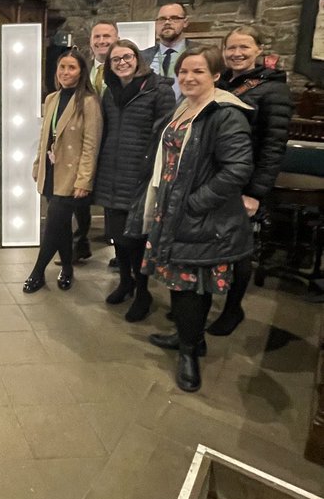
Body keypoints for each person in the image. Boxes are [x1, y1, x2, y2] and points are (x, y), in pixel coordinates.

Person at [142, 45, 255, 393]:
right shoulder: (187, 107)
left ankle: (189, 353)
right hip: (174, 208)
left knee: (189, 283)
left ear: (216, 75)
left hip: (199, 214)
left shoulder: (224, 113)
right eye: (183, 72)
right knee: (185, 281)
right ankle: (189, 338)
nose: (188, 78)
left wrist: (195, 202)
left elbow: (238, 169)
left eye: (198, 72)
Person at [206, 25, 292, 336]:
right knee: (212, 243)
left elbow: (273, 146)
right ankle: (202, 302)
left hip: (246, 181)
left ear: (258, 50)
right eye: (231, 48)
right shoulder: (224, 82)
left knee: (239, 249)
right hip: (217, 177)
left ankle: (233, 309)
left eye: (244, 47)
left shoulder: (273, 88)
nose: (237, 53)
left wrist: (256, 192)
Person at [92, 39, 175, 321]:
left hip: (140, 174)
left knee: (136, 238)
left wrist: (150, 168)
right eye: (115, 60)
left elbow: (164, 134)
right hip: (111, 172)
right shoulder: (110, 92)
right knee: (118, 236)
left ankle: (143, 291)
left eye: (126, 57)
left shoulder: (157, 89)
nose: (122, 63)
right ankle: (125, 282)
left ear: (137, 58)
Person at [22, 50, 102, 294]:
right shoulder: (52, 99)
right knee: (62, 226)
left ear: (81, 72)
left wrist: (84, 180)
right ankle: (67, 267)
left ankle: (37, 272)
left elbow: (91, 144)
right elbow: (45, 137)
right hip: (51, 170)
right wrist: (38, 164)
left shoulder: (89, 101)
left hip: (72, 174)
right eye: (62, 67)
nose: (66, 72)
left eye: (72, 68)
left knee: (53, 223)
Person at [74, 20, 118, 262]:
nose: (102, 41)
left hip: (114, 142)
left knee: (113, 195)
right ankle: (80, 244)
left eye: (107, 36)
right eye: (97, 37)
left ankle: (115, 241)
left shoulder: (124, 68)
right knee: (80, 195)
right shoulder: (84, 69)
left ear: (117, 38)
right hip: (87, 142)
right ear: (91, 41)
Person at [141, 2, 196, 100]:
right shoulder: (142, 57)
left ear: (185, 22)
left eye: (174, 18)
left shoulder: (200, 53)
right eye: (162, 19)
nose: (167, 22)